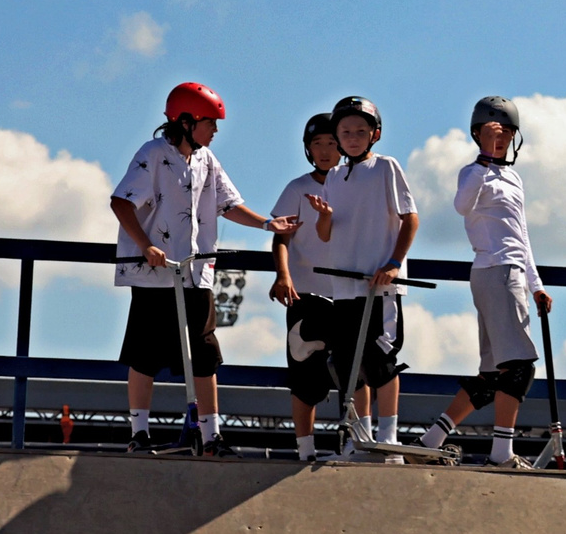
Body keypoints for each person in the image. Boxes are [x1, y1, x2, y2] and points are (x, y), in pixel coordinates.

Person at [108, 82, 298, 455]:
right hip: (155, 275)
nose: (215, 130)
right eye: (210, 122)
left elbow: (228, 204)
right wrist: (146, 246)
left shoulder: (206, 160)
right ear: (185, 121)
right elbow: (121, 202)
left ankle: (211, 436)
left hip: (196, 272)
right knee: (145, 354)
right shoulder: (153, 154)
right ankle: (139, 433)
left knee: (205, 354)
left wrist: (266, 224)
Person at [417, 97, 551, 468]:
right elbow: (462, 206)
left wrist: (536, 285)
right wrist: (484, 160)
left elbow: (521, 235)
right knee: (519, 368)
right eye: (494, 131)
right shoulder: (472, 172)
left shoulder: (513, 176)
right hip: (494, 270)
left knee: (493, 376)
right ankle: (501, 453)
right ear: (477, 133)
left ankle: (432, 439)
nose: (502, 138)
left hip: (511, 272)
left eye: (508, 132)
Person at [315, 94, 420, 455]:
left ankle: (388, 438)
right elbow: (325, 234)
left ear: (374, 134)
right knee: (345, 363)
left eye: (361, 130)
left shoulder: (387, 167)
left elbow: (411, 218)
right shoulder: (333, 177)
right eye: (346, 131)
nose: (353, 137)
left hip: (380, 287)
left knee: (380, 360)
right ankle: (361, 439)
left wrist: (393, 263)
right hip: (344, 287)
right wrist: (324, 215)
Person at [267, 112, 343, 460]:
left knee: (355, 370)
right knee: (304, 375)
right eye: (318, 144)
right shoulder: (298, 188)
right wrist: (283, 275)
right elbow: (281, 238)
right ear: (308, 149)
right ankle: (305, 449)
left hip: (348, 294)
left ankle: (355, 444)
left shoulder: (354, 185)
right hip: (306, 293)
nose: (325, 150)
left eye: (331, 142)